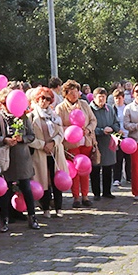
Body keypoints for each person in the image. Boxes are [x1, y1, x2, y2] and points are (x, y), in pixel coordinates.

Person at [0, 88, 38, 231]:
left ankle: (32, 217)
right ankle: (4, 219)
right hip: (5, 159)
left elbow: (32, 135)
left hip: (22, 157)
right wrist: (4, 140)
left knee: (26, 188)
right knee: (5, 190)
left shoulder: (23, 117)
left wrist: (23, 139)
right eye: (4, 103)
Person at [55, 79, 97, 208]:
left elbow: (93, 120)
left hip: (86, 142)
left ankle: (85, 195)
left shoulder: (84, 104)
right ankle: (76, 197)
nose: (75, 95)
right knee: (74, 171)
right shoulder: (60, 108)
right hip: (71, 144)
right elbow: (57, 126)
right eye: (71, 92)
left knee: (85, 170)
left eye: (76, 92)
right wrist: (70, 131)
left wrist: (88, 129)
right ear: (66, 94)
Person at [28, 86, 67, 218]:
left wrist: (53, 143)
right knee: (43, 180)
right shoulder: (31, 116)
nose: (44, 101)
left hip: (55, 151)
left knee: (57, 178)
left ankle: (59, 207)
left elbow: (61, 134)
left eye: (47, 98)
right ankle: (45, 208)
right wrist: (42, 145)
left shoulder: (55, 116)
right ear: (37, 99)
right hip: (40, 152)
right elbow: (29, 137)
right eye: (41, 98)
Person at [90, 88, 119, 200]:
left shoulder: (110, 109)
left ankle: (107, 191)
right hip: (95, 142)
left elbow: (116, 123)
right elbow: (88, 126)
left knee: (108, 167)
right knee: (95, 169)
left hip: (108, 142)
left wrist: (112, 128)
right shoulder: (90, 109)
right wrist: (101, 130)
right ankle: (96, 193)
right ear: (94, 97)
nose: (102, 99)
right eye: (99, 97)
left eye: (104, 97)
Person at [111, 88, 131, 187]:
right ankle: (117, 178)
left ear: (123, 98)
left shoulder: (128, 108)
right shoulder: (112, 109)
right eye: (116, 98)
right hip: (118, 137)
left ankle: (129, 176)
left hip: (128, 135)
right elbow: (111, 122)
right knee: (118, 159)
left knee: (129, 158)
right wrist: (117, 131)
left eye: (119, 98)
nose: (118, 100)